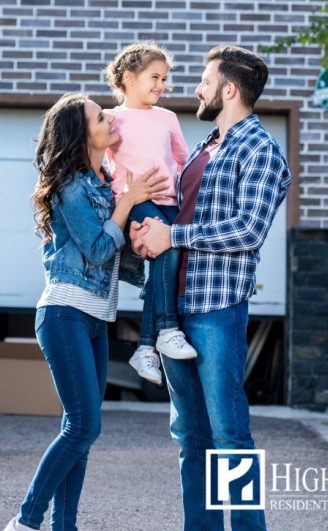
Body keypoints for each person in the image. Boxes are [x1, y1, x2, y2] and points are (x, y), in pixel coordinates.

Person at [131, 45, 290, 531]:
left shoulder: (261, 151)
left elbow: (247, 231)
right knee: (189, 434)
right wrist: (148, 234)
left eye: (204, 81)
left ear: (229, 89)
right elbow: (174, 216)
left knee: (228, 431)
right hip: (175, 306)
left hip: (217, 305)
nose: (195, 89)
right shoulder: (203, 147)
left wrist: (172, 234)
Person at [0, 92, 168, 531]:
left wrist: (144, 236)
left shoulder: (103, 183)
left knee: (82, 429)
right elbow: (96, 250)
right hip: (65, 313)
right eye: (100, 116)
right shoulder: (70, 186)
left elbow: (118, 258)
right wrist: (129, 203)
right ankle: (25, 524)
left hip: (96, 316)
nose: (110, 118)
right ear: (82, 133)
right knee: (83, 425)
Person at [104, 42, 198, 386]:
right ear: (129, 78)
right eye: (154, 77)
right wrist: (124, 200)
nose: (161, 85)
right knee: (166, 253)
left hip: (169, 201)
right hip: (137, 201)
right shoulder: (112, 119)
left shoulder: (168, 118)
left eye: (165, 79)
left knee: (166, 261)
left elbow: (183, 162)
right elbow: (101, 163)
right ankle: (166, 330)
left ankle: (146, 346)